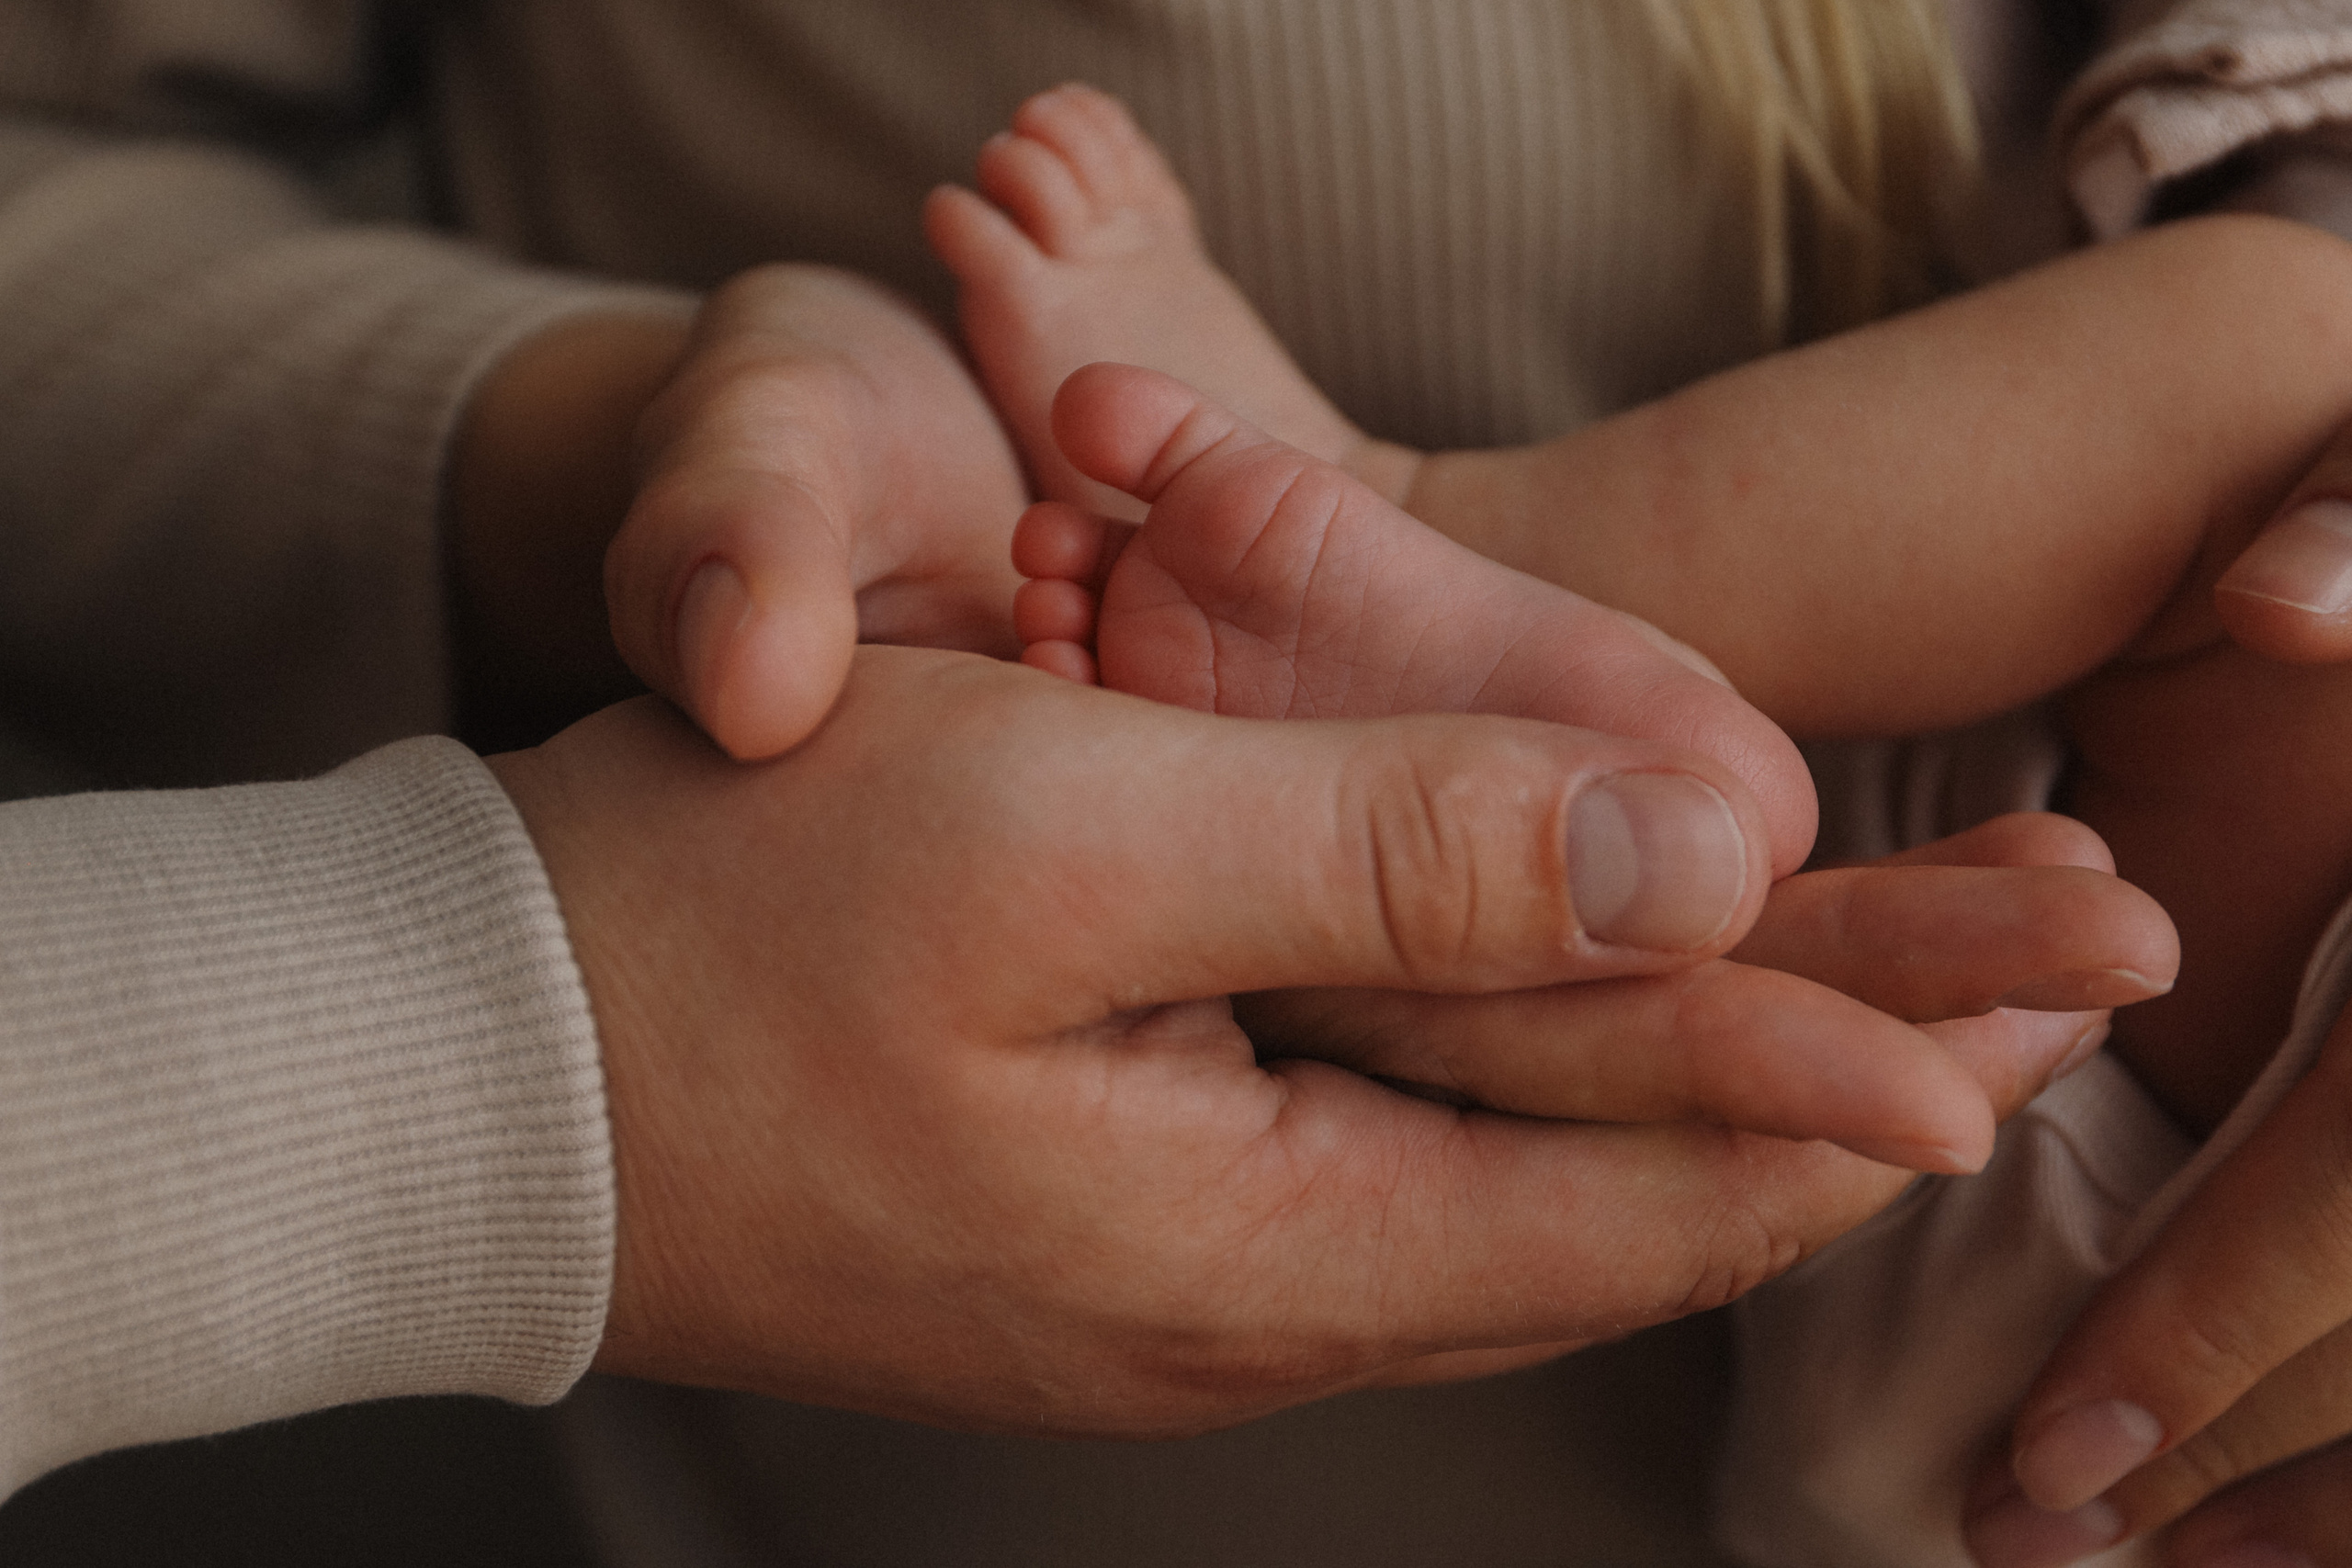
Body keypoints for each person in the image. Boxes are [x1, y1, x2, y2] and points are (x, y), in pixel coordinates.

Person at [4, 1, 2348, 1562]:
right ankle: (1422, 511)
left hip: (1982, 1382)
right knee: (2264, 349)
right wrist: (599, 470)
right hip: (1914, 1255)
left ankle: (1412, 505)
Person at [928, 77, 2352, 1568]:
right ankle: (1538, 730)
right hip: (2003, 1441)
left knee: (2293, 367)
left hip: (2128, 1335)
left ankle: (1429, 512)